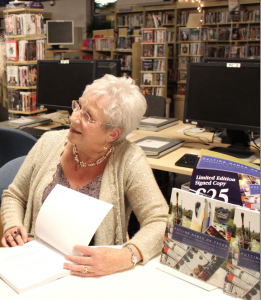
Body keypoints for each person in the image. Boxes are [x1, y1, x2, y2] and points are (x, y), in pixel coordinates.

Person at [1, 74, 168, 277]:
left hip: (93, 276)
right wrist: (12, 226)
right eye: (78, 106)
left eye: (88, 116)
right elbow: (15, 196)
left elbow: (160, 221)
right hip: (33, 266)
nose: (73, 117)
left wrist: (127, 255)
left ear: (113, 134)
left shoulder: (129, 159)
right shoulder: (49, 142)